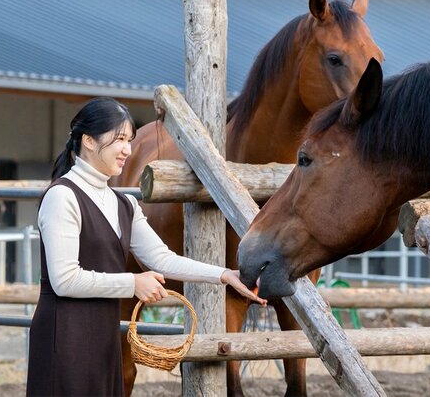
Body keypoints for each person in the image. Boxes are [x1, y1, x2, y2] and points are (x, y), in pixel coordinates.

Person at [25, 97, 266, 396]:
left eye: (130, 140)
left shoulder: (123, 203)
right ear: (88, 140)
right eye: (119, 140)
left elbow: (161, 258)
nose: (127, 149)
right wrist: (133, 283)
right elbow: (64, 280)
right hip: (65, 335)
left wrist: (224, 274)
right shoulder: (62, 197)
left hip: (104, 334)